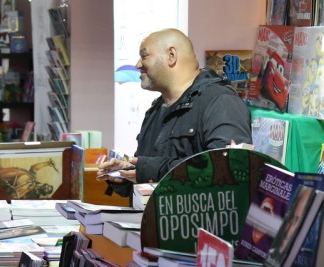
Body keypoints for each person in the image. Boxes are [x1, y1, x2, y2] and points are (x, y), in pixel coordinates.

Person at [97, 28, 252, 197]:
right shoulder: (156, 110)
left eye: (144, 56)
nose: (138, 65)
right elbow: (149, 177)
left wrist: (150, 171)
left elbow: (227, 170)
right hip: (155, 220)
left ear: (171, 56)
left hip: (200, 223)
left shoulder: (220, 102)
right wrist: (126, 174)